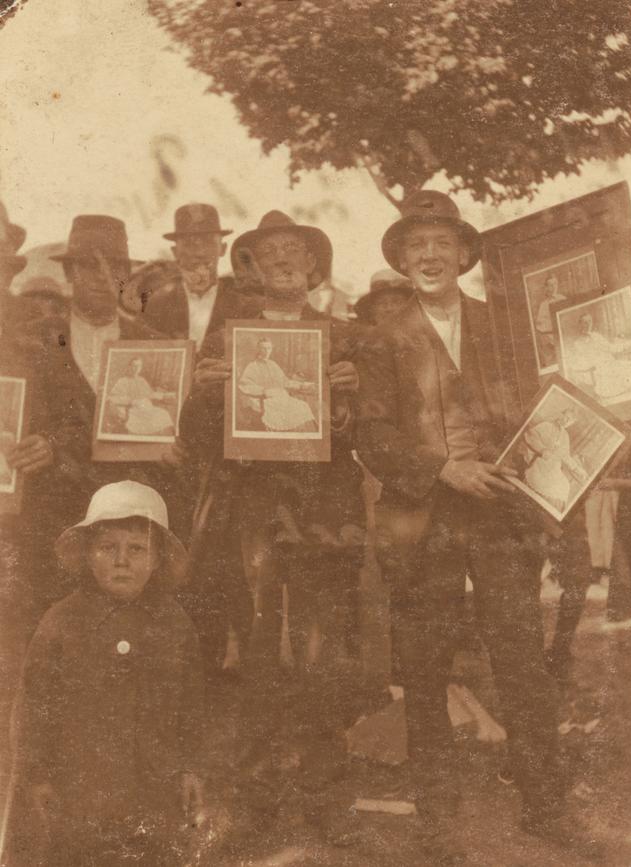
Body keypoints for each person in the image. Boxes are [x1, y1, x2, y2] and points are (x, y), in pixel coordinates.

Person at [356, 190, 601, 862]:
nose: (430, 256)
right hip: (422, 523)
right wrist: (440, 468)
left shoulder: (508, 327)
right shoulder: (382, 339)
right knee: (427, 669)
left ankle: (546, 808)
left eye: (442, 244)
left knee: (520, 663)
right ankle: (438, 821)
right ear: (403, 260)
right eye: (417, 247)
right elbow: (370, 435)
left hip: (501, 516)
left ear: (464, 253)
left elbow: (543, 416)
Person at [179, 209, 365, 844]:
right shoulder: (228, 338)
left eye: (297, 251)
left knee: (322, 647)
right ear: (252, 267)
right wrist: (205, 393)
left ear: (315, 268)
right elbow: (194, 440)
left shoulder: (345, 337)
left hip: (325, 516)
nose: (285, 260)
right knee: (260, 644)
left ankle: (321, 796)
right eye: (270, 252)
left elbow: (369, 437)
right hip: (252, 516)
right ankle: (257, 794)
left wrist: (351, 399)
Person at [9, 481, 204, 866]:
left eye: (136, 549)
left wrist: (192, 768)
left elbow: (192, 704)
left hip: (151, 782)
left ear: (158, 559)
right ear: (86, 556)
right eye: (107, 548)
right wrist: (38, 774)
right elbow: (33, 705)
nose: (121, 561)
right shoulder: (62, 621)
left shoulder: (174, 624)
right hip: (79, 783)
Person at [19, 214, 175, 619]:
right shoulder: (32, 338)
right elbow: (14, 411)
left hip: (124, 513)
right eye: (88, 265)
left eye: (114, 267)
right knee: (54, 623)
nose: (102, 277)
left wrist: (173, 444)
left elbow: (169, 425)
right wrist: (37, 442)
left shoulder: (153, 345)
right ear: (70, 273)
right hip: (54, 508)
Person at [139, 203, 239, 351]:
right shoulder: (155, 305)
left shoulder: (242, 303)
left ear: (223, 249)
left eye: (208, 243)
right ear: (175, 252)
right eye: (189, 244)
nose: (199, 253)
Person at [237, 337, 316, 431]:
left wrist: (301, 385)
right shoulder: (252, 366)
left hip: (280, 397)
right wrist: (264, 391)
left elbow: (285, 382)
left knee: (303, 406)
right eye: (263, 348)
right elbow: (244, 385)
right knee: (277, 414)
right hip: (265, 399)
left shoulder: (273, 364)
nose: (266, 351)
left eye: (269, 348)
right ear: (258, 349)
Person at [567, 311, 631, 402]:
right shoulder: (577, 343)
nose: (588, 324)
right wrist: (592, 364)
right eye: (584, 322)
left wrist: (628, 344)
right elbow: (579, 362)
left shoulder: (596, 336)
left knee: (630, 369)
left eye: (589, 321)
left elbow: (610, 348)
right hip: (597, 368)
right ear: (580, 324)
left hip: (609, 363)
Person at [521, 408, 587, 515]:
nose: (566, 421)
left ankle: (548, 513)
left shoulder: (565, 436)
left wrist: (578, 469)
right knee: (543, 481)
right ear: (561, 414)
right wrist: (543, 450)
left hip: (553, 466)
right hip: (540, 460)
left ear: (571, 423)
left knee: (564, 485)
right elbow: (530, 435)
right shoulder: (547, 425)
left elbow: (565, 456)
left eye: (569, 420)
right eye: (566, 417)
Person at [107, 356, 176, 436]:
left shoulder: (142, 380)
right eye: (134, 365)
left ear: (141, 368)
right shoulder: (122, 381)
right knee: (137, 423)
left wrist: (165, 395)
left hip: (147, 407)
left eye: (138, 366)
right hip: (133, 409)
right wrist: (130, 401)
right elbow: (114, 397)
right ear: (129, 367)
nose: (136, 368)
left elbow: (150, 394)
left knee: (164, 414)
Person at [534, 273, 566, 367]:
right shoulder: (543, 305)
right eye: (550, 285)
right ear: (547, 287)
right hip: (551, 339)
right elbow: (539, 325)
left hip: (564, 335)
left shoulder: (563, 299)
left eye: (555, 284)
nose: (553, 287)